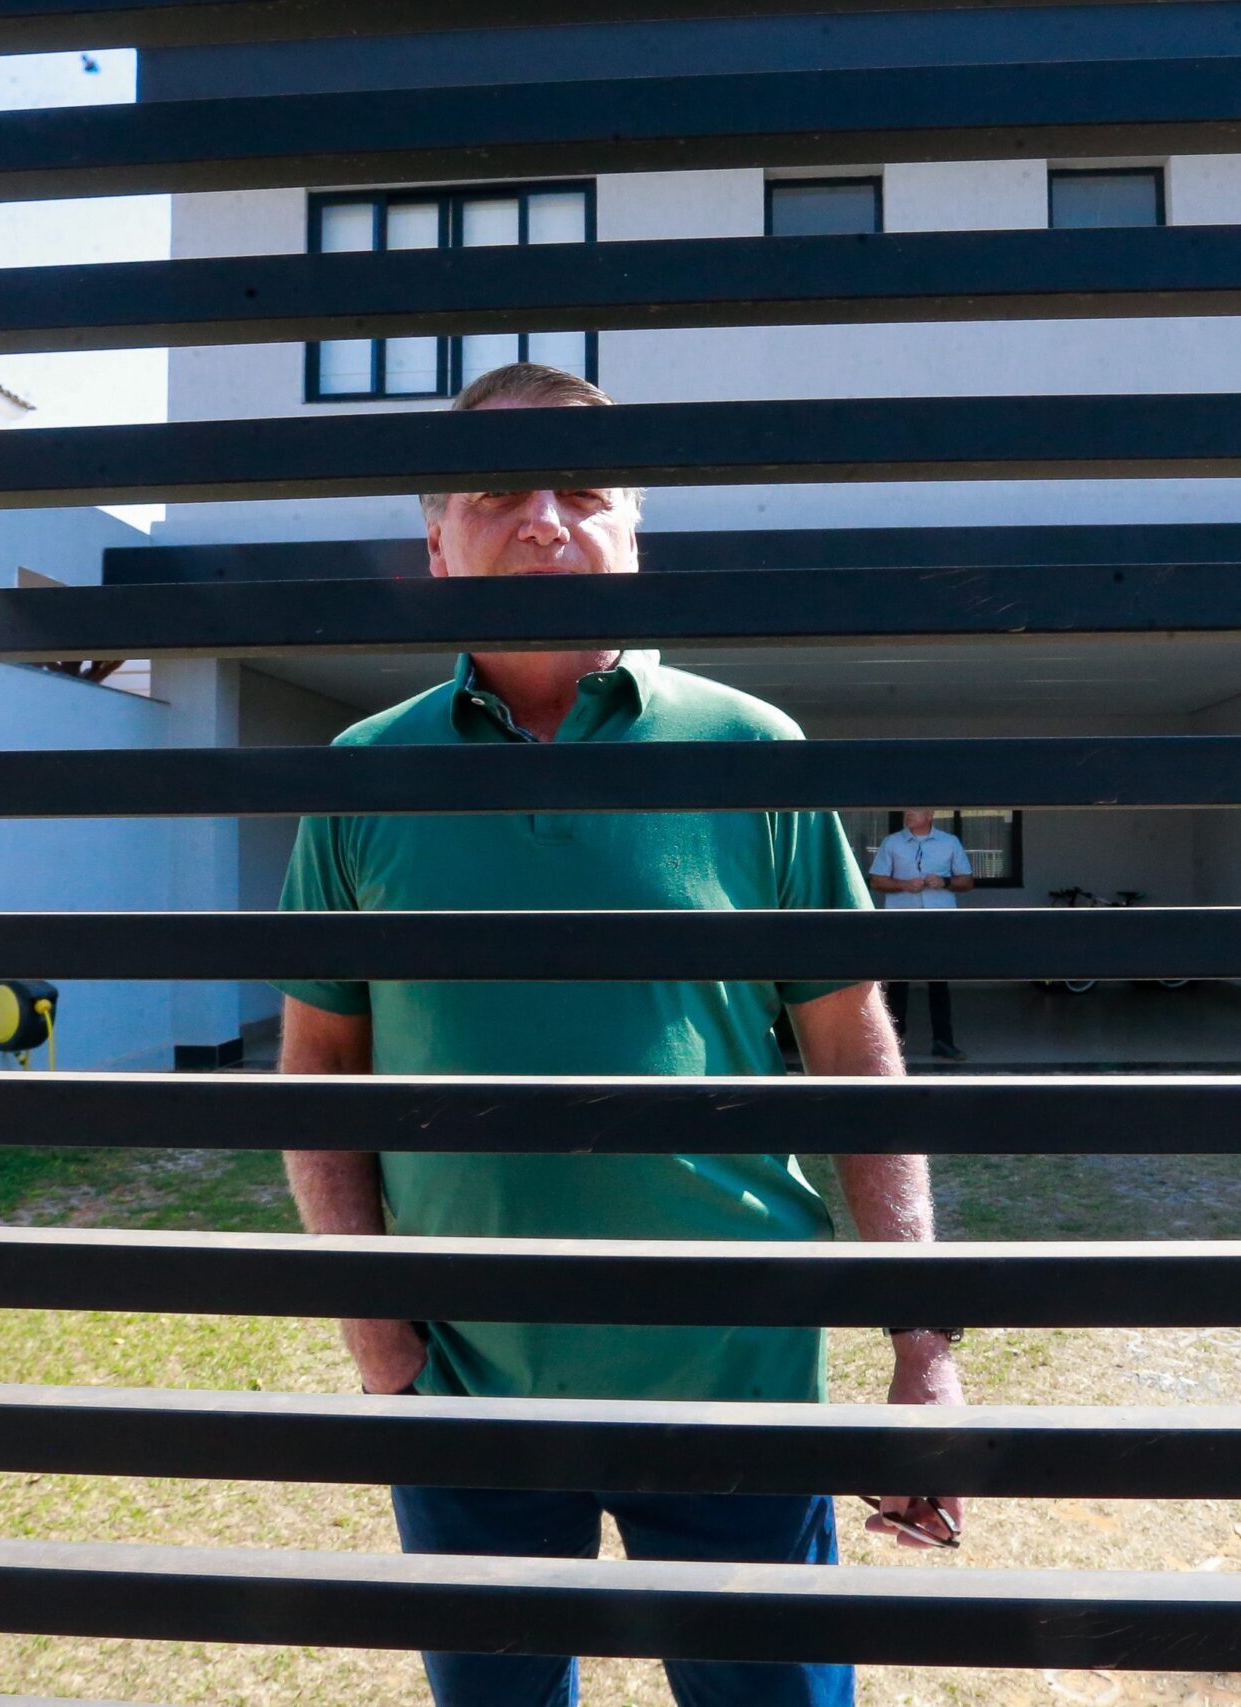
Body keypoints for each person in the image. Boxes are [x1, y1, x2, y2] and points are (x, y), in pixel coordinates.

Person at [275, 363, 966, 1707]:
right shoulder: (364, 774)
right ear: (436, 543)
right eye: (497, 493)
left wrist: (921, 1347)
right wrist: (381, 1344)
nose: (546, 520)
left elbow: (855, 1056)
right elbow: (319, 1071)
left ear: (633, 533)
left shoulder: (754, 752)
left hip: (733, 1378)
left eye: (584, 491)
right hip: (469, 1384)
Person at [867, 809, 975, 1062]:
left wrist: (945, 882)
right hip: (901, 921)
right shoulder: (892, 842)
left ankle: (943, 1041)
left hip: (938, 922)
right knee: (897, 982)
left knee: (939, 982)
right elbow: (876, 881)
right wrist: (903, 885)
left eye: (915, 810)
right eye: (907, 810)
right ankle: (892, 1044)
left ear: (930, 815)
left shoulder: (949, 842)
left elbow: (967, 881)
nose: (908, 814)